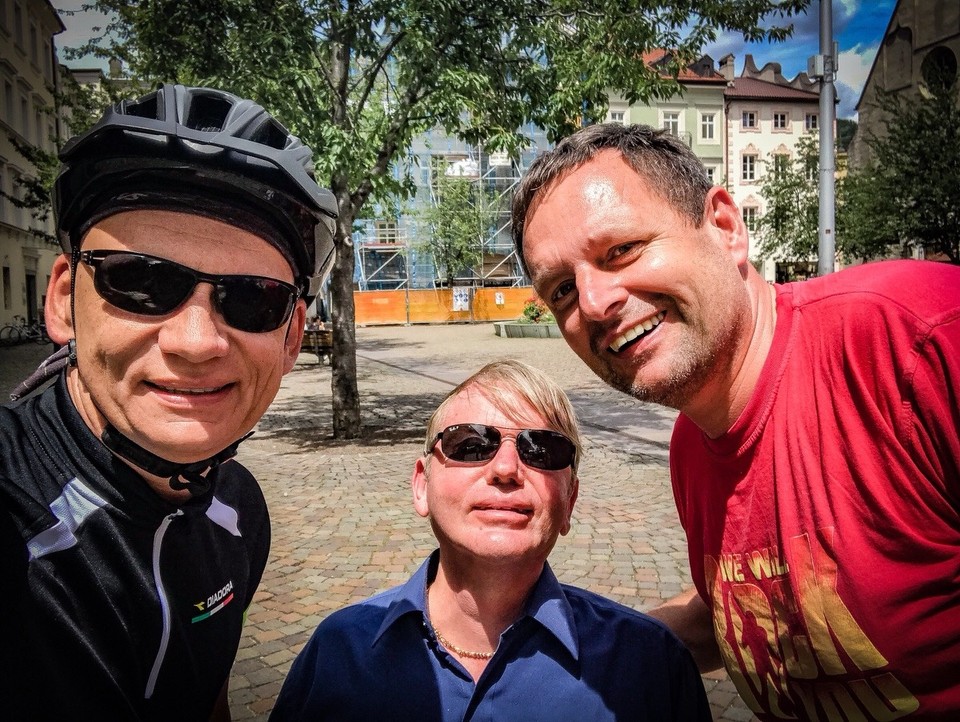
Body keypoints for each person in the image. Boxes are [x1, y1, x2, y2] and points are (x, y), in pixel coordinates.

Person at [510, 122, 960, 720]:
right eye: (562, 289)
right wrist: (580, 653)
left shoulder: (919, 337)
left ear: (725, 228)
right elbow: (763, 608)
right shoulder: (692, 445)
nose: (594, 303)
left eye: (621, 250)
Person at [0, 84, 337, 720]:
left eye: (253, 299)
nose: (197, 341)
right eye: (141, 281)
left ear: (291, 337)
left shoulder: (239, 512)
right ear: (63, 300)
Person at [271, 359, 710, 721]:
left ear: (569, 501)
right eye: (470, 443)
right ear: (421, 485)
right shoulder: (337, 651)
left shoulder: (651, 666)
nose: (506, 469)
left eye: (541, 450)